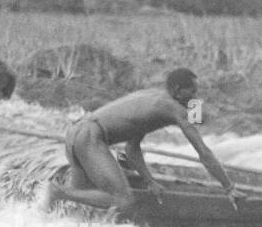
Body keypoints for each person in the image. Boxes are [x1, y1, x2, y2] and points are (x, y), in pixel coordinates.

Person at [43, 68, 245, 214]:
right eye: (191, 92)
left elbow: (132, 149)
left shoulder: (153, 98)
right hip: (90, 137)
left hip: (76, 133)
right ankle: (58, 193)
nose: (195, 97)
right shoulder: (172, 108)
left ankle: (46, 217)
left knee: (80, 203)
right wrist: (228, 187)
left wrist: (150, 181)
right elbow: (204, 152)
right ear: (177, 90)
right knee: (122, 199)